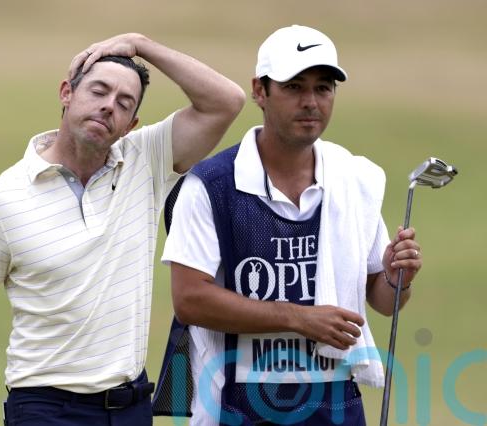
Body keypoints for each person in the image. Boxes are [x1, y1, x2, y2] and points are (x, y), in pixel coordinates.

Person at [0, 33, 245, 426]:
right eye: (98, 91)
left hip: (130, 407)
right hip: (44, 408)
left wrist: (140, 44)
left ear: (130, 125)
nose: (109, 105)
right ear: (66, 93)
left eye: (124, 103)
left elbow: (226, 101)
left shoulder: (147, 159)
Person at [156, 25, 423, 425]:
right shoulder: (210, 185)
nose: (310, 102)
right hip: (236, 405)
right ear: (260, 91)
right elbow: (190, 299)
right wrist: (300, 318)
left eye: (323, 88)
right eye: (294, 87)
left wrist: (395, 277)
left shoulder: (353, 179)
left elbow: (384, 302)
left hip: (334, 404)